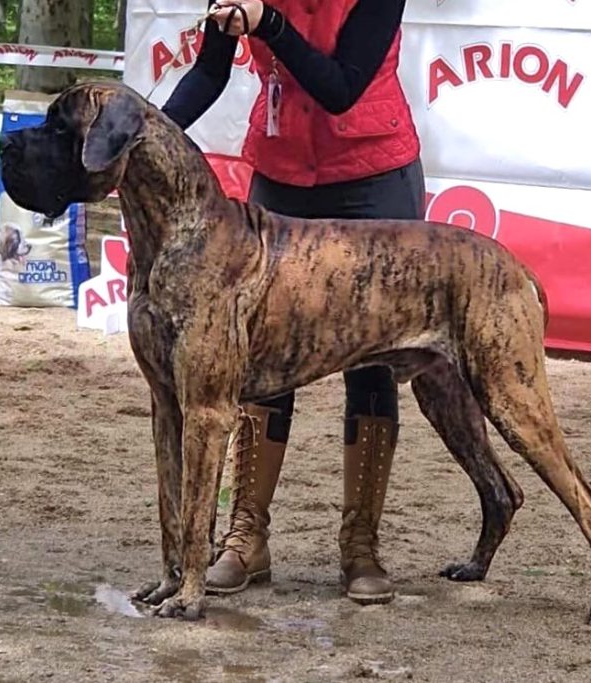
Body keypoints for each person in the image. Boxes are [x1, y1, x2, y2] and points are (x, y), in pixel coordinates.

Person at [161, 0, 424, 606]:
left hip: (373, 178)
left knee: (373, 362)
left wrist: (269, 23)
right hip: (281, 174)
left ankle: (361, 545)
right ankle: (246, 536)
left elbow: (340, 88)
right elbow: (209, 72)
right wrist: (148, 131)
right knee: (254, 353)